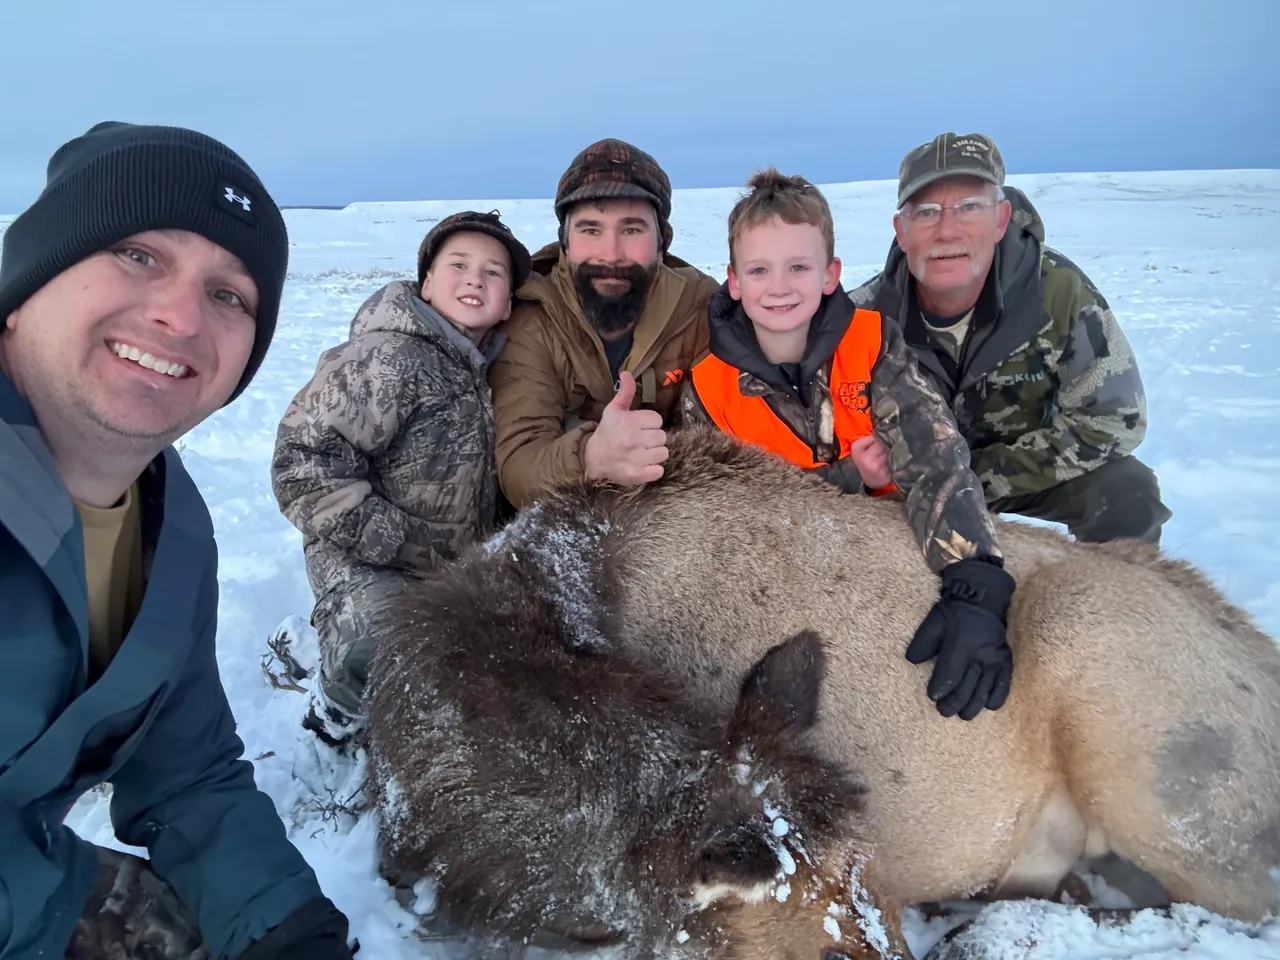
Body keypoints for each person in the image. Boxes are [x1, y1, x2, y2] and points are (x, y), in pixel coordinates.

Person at [0, 122, 352, 958]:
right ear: (23, 289)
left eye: (230, 295)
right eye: (138, 255)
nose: (181, 314)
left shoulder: (173, 533)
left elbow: (187, 774)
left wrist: (290, 935)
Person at [682, 168, 1016, 723]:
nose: (780, 286)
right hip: (779, 569)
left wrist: (974, 581)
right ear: (734, 281)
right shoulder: (706, 388)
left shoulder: (872, 343)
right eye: (760, 270)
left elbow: (932, 449)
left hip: (887, 543)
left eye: (798, 267)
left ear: (830, 274)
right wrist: (845, 478)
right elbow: (725, 518)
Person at [271, 211, 531, 748]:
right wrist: (393, 540)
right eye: (457, 264)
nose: (475, 279)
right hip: (367, 556)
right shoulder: (386, 358)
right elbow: (301, 464)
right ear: (427, 282)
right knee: (388, 641)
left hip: (456, 561)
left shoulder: (493, 372)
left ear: (508, 302)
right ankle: (332, 714)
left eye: (493, 272)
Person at [851, 132, 1171, 544]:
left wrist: (978, 477)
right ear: (902, 230)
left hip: (1022, 467)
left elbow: (1114, 419)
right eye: (927, 212)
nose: (947, 231)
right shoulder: (863, 317)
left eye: (969, 208)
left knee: (1128, 493)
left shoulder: (1057, 294)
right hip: (912, 481)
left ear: (1001, 220)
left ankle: (1120, 604)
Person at [488, 137, 720, 509]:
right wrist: (591, 457)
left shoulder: (700, 308)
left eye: (631, 230)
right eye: (590, 230)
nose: (611, 254)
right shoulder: (532, 316)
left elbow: (722, 444)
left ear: (663, 242)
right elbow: (518, 468)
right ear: (565, 242)